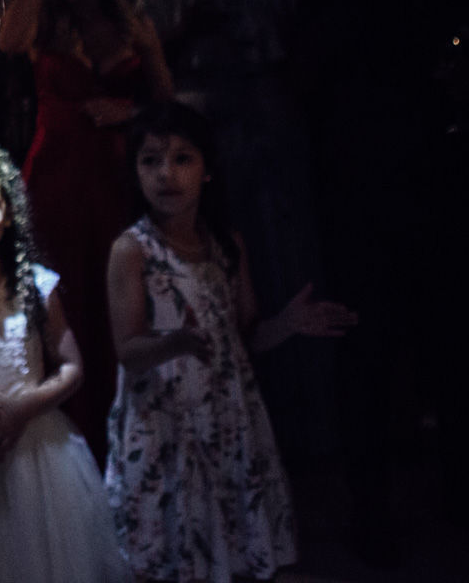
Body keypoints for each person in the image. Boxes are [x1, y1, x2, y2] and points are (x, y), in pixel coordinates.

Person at [104, 101, 354, 583]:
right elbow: (128, 350)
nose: (166, 173)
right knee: (169, 546)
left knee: (229, 542)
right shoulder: (132, 249)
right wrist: (176, 342)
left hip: (226, 415)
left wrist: (288, 323)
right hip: (164, 420)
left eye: (182, 158)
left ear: (207, 170)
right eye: (151, 161)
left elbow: (248, 335)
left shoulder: (225, 244)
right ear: (135, 173)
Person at [0, 0, 172, 458]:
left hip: (116, 179)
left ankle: (129, 437)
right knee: (65, 295)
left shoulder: (131, 23)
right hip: (56, 179)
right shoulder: (44, 22)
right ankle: (71, 438)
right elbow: (8, 41)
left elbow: (167, 106)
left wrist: (131, 112)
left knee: (117, 296)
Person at [0, 146, 128, 583]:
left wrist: (23, 409)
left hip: (33, 451)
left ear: (10, 215)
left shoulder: (35, 285)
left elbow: (72, 367)